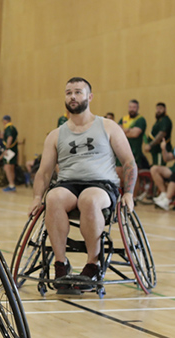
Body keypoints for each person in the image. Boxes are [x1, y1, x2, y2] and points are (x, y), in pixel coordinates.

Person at [29, 77, 136, 290]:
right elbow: (44, 171)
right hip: (68, 184)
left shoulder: (108, 126)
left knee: (89, 199)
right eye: (69, 93)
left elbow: (129, 162)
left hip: (102, 185)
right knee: (54, 198)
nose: (73, 96)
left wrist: (129, 193)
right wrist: (36, 198)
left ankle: (92, 264)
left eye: (78, 92)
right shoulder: (56, 134)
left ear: (90, 96)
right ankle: (61, 263)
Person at [117, 99, 149, 170]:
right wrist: (128, 130)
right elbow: (117, 131)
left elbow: (135, 134)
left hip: (135, 152)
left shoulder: (140, 120)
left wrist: (123, 131)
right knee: (118, 170)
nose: (132, 109)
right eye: (130, 107)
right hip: (122, 150)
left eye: (134, 107)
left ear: (138, 108)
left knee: (131, 172)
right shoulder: (123, 119)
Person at [1, 115, 19, 192]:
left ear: (5, 121)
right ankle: (12, 184)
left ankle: (11, 185)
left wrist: (6, 149)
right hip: (13, 150)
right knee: (11, 168)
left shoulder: (8, 128)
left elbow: (10, 138)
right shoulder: (13, 128)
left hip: (10, 151)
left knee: (7, 167)